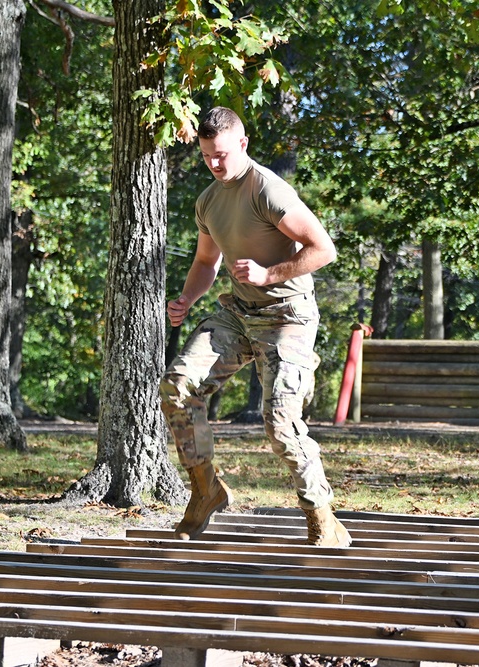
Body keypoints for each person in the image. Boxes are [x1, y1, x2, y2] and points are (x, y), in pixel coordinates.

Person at [160, 106, 351, 547]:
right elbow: (206, 262)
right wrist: (188, 298)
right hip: (238, 314)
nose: (214, 163)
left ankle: (322, 515)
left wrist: (269, 274)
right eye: (207, 156)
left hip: (288, 317)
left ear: (242, 145)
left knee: (280, 420)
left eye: (222, 155)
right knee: (176, 386)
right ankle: (206, 490)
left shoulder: (268, 189)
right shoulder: (208, 199)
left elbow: (324, 249)